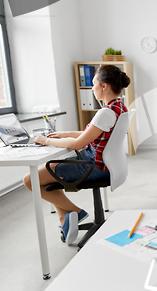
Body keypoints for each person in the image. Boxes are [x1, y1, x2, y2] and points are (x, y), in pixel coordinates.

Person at [22, 65, 130, 245]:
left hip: (92, 166)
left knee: (29, 179)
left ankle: (74, 213)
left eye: (94, 84)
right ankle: (66, 219)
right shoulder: (119, 107)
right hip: (104, 164)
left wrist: (46, 140)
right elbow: (93, 133)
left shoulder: (105, 112)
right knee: (48, 177)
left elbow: (78, 144)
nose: (92, 89)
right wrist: (65, 133)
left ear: (104, 86)